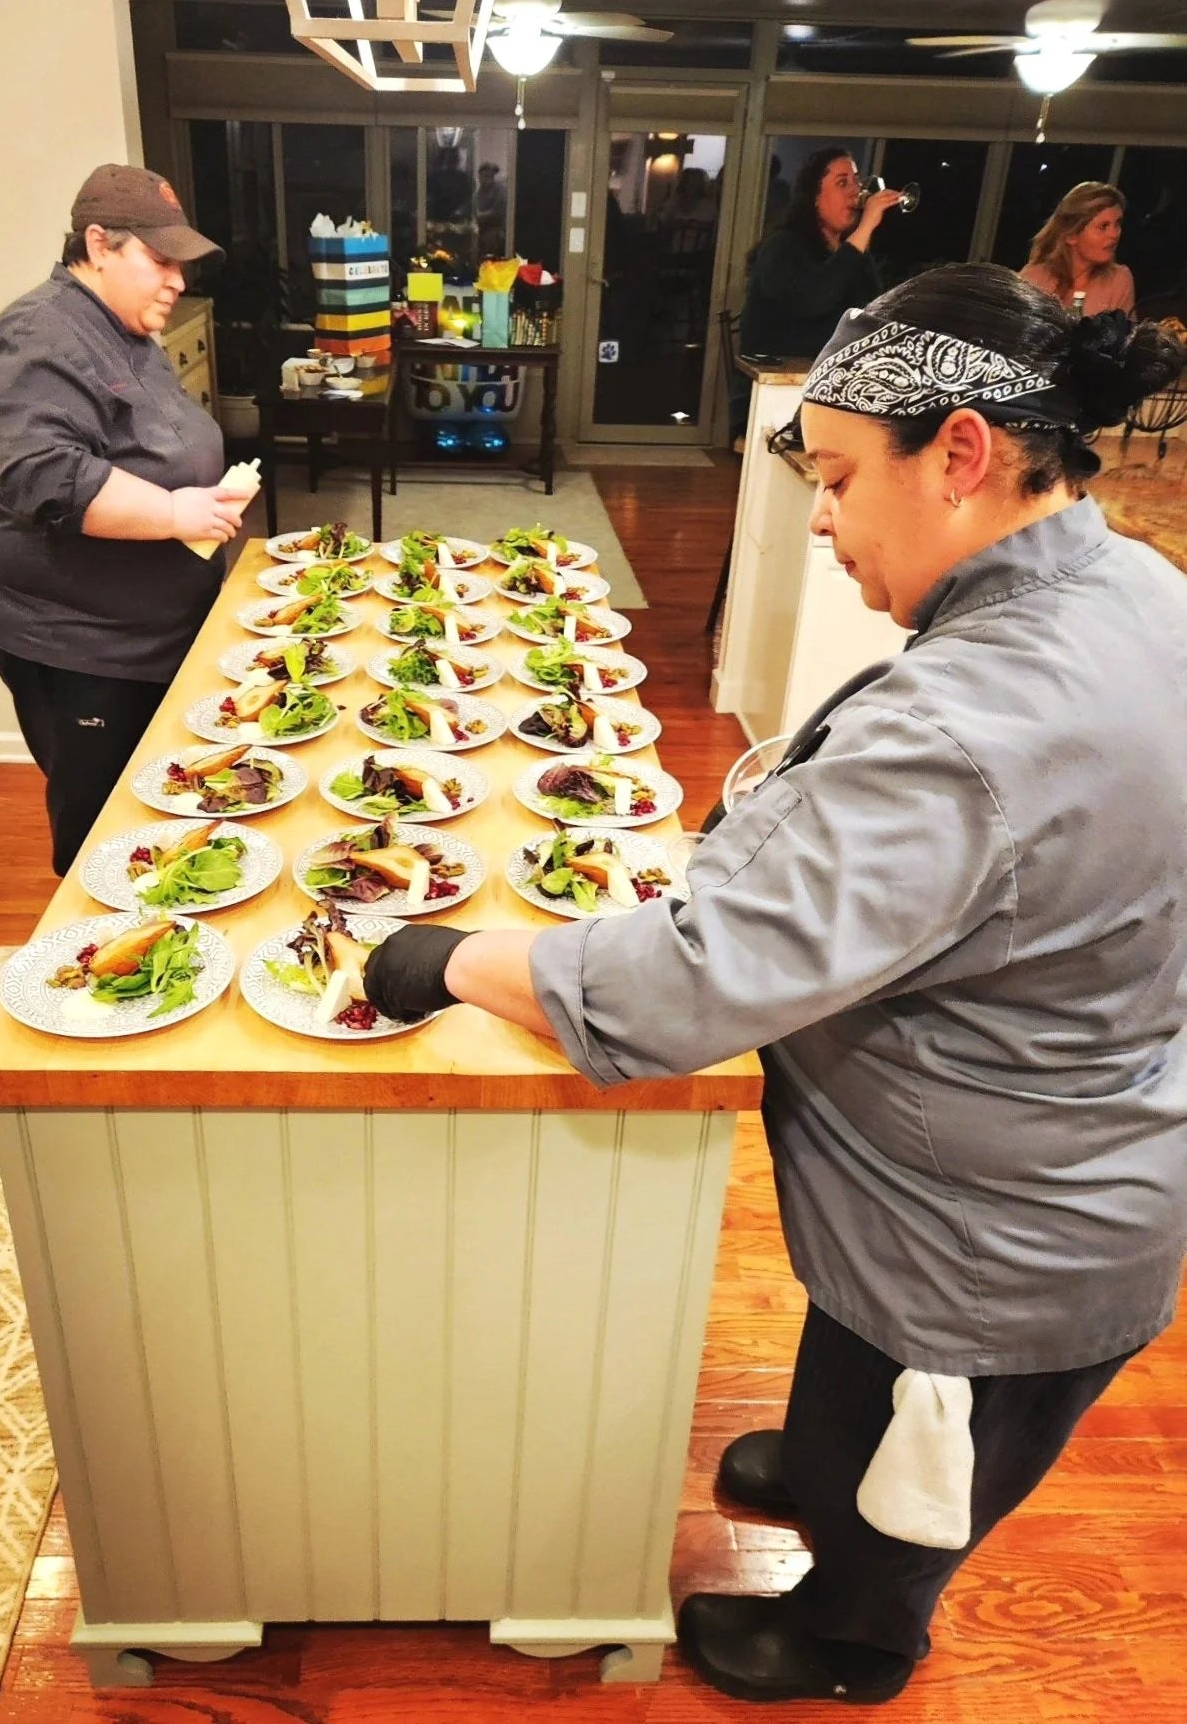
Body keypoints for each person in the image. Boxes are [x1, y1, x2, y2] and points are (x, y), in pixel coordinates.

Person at [361, 263, 1187, 1704]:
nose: (818, 517)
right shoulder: (1132, 580)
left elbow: (686, 988)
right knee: (851, 1374)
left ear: (966, 455)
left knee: (928, 1463)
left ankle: (850, 1641)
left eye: (840, 476)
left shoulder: (977, 723)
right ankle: (816, 1468)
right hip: (1004, 1128)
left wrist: (451, 956)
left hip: (1004, 1222)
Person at [0, 165, 252, 876]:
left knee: (166, 813)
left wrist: (198, 498)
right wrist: (170, 509)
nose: (177, 281)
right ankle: (91, 964)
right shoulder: (38, 333)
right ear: (98, 244)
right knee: (107, 839)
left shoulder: (124, 331)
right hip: (83, 647)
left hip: (153, 632)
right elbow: (41, 475)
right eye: (160, 261)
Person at [738, 147, 903, 361]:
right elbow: (813, 301)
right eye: (843, 183)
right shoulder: (783, 246)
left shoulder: (854, 253)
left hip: (834, 379)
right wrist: (865, 227)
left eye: (856, 182)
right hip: (776, 383)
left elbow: (872, 314)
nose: (856, 192)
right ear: (814, 196)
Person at [1020, 181, 1135, 314]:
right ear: (1071, 236)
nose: (1115, 234)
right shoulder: (1033, 278)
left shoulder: (1119, 280)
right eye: (1103, 226)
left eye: (1117, 223)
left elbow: (1124, 333)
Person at [474, 161, 508, 258]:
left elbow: (500, 211)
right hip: (483, 231)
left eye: (486, 176)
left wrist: (482, 215)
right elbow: (472, 205)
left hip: (496, 232)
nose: (483, 179)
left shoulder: (499, 190)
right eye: (481, 177)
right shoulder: (480, 191)